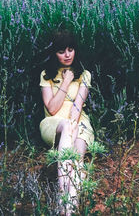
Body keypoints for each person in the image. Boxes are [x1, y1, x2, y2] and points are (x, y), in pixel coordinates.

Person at [38, 29, 94, 215]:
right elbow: (52, 108)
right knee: (66, 128)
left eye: (71, 49)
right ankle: (63, 193)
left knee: (77, 162)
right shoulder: (46, 75)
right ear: (55, 53)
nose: (67, 55)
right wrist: (65, 81)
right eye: (62, 51)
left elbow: (78, 104)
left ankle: (68, 210)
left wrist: (74, 127)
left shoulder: (84, 74)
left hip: (79, 122)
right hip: (54, 124)